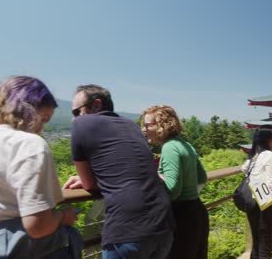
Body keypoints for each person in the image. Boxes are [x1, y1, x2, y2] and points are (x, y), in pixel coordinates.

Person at [63, 85, 174, 259]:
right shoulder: (132, 126)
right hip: (164, 223)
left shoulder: (82, 124)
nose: (74, 118)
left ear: (96, 105)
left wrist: (90, 180)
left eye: (77, 112)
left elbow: (89, 184)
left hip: (128, 228)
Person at [0, 76, 82, 258]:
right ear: (28, 111)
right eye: (44, 119)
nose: (41, 129)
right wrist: (64, 216)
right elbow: (38, 226)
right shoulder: (28, 144)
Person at [142, 105, 209, 259]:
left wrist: (152, 175)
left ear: (162, 126)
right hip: (196, 210)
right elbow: (202, 178)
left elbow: (173, 190)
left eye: (148, 125)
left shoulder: (170, 148)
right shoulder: (185, 144)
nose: (144, 130)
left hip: (180, 217)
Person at [241, 127, 272, 259]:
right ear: (268, 139)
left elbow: (243, 168)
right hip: (266, 205)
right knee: (266, 246)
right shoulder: (268, 155)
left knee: (256, 243)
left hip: (252, 203)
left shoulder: (255, 156)